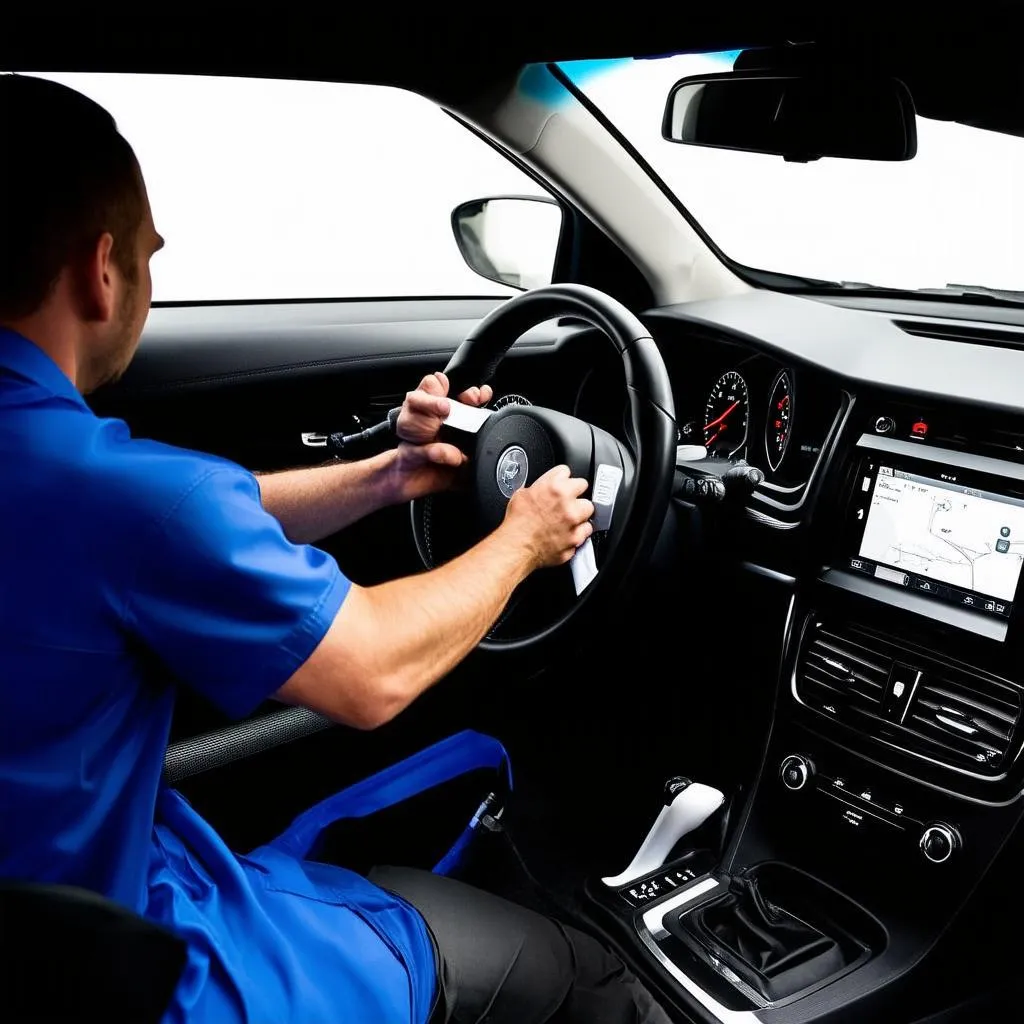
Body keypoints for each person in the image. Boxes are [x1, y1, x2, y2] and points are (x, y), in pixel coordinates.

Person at [0, 74, 672, 1023]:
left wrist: (387, 477)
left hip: (41, 899)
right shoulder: (115, 495)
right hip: (119, 967)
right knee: (584, 979)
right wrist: (527, 540)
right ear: (99, 270)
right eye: (150, 254)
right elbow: (369, 674)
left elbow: (183, 529)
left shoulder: (84, 489)